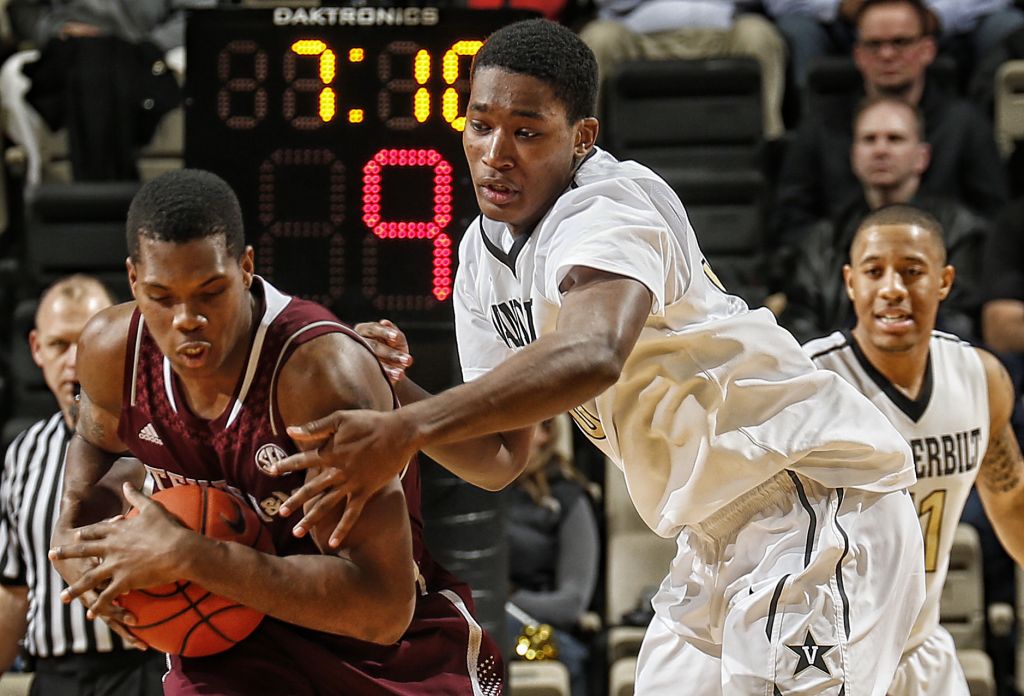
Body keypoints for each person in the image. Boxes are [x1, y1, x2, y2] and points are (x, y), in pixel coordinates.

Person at [269, 19, 926, 695]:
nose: (496, 152)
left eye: (526, 131)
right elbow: (500, 459)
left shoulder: (609, 205)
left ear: (581, 137)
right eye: (480, 124)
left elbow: (595, 352)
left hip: (811, 498)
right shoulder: (478, 256)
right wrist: (395, 392)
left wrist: (404, 432)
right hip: (712, 537)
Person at [45, 170, 503, 694]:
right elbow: (98, 443)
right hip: (231, 648)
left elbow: (383, 609)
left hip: (383, 659)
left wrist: (192, 557)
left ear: (245, 268)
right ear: (132, 281)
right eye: (161, 296)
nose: (187, 318)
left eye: (209, 292)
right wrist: (74, 527)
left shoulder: (318, 377)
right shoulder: (112, 352)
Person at [803, 203, 1024, 695]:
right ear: (850, 282)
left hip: (920, 646)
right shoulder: (808, 384)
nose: (892, 289)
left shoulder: (980, 378)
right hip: (823, 655)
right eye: (874, 271)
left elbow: (1011, 502)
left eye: (912, 272)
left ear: (944, 281)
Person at [0, 275, 166, 694]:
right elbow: (13, 592)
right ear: (36, 349)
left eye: (88, 339)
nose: (74, 360)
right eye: (58, 345)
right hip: (58, 678)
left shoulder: (164, 437)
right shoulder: (23, 451)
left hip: (149, 666)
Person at [773, 0, 1007, 239]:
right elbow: (792, 220)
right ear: (858, 55)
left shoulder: (966, 124)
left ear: (928, 49)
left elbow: (993, 220)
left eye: (900, 42)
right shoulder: (821, 125)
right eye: (874, 44)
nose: (887, 54)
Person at [778, 95, 989, 343]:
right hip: (835, 374)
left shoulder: (961, 231)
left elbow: (959, 325)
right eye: (869, 139)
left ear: (922, 156)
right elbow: (800, 326)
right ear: (853, 155)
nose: (880, 150)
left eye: (895, 139)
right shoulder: (823, 238)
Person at [578, 0, 787, 138]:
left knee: (759, 34)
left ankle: (771, 142)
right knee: (599, 38)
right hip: (640, 38)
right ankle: (587, 147)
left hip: (722, 34)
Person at [505, 414, 599, 696]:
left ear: (546, 431)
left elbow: (571, 604)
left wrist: (502, 598)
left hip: (536, 632)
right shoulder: (471, 494)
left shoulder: (568, 498)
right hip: (472, 622)